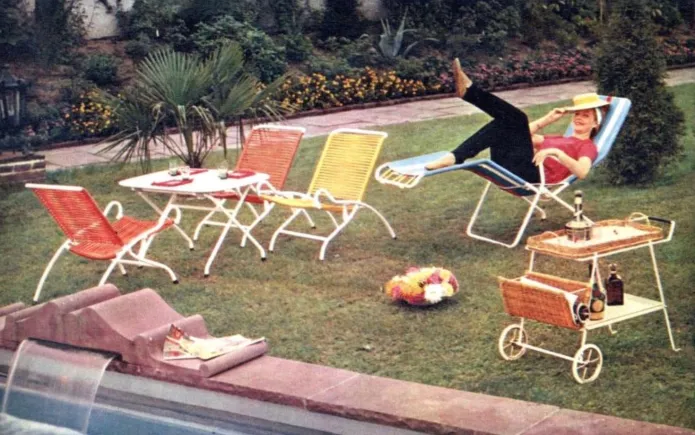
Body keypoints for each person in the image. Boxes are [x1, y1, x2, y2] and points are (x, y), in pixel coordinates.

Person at [425, 59, 610, 184]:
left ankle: (469, 95)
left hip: (534, 176)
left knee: (517, 119)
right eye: (577, 114)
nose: (578, 118)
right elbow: (520, 135)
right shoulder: (561, 138)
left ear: (596, 124)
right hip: (516, 166)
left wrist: (555, 152)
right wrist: (547, 119)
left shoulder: (587, 146)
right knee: (507, 124)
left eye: (585, 115)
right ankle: (455, 155)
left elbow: (583, 171)